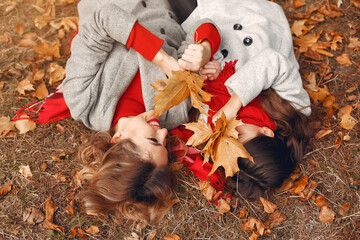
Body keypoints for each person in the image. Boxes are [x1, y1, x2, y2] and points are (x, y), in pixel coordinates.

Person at [60, 0, 220, 224]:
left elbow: (104, 17)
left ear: (119, 138)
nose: (164, 132)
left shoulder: (82, 99)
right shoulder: (175, 110)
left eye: (153, 140)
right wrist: (204, 49)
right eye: (164, 144)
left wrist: (161, 59)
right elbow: (205, 24)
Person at [173, 0, 312, 198]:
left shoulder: (212, 132)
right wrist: (234, 103)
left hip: (200, 30)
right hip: (243, 18)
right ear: (266, 132)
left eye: (228, 144)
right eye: (239, 137)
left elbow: (193, 97)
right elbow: (272, 61)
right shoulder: (293, 108)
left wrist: (203, 73)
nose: (228, 132)